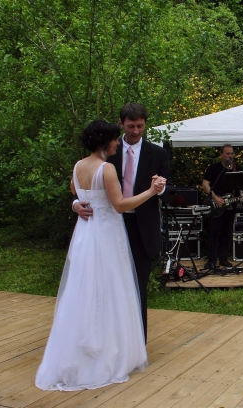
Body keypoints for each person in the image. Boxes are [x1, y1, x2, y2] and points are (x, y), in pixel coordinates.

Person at [36, 120, 166, 390]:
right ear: (105, 142)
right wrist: (150, 192)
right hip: (106, 235)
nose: (118, 143)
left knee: (84, 290)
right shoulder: (106, 168)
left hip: (84, 235)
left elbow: (75, 191)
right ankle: (107, 351)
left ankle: (84, 348)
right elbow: (119, 205)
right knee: (110, 290)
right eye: (115, 139)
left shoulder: (78, 166)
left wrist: (76, 204)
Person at [73, 103, 175, 341]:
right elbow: (84, 186)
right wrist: (76, 203)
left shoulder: (157, 153)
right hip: (108, 226)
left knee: (138, 287)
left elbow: (171, 191)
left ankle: (137, 343)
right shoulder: (108, 150)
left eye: (140, 126)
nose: (136, 131)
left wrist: (160, 189)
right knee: (106, 285)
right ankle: (109, 340)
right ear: (121, 124)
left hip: (142, 228)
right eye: (131, 126)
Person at [202, 144, 242, 270]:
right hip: (216, 204)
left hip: (231, 205)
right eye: (227, 153)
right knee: (214, 232)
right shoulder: (214, 168)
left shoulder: (237, 168)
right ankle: (211, 260)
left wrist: (241, 195)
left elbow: (241, 185)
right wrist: (215, 198)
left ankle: (223, 259)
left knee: (227, 232)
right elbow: (205, 184)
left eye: (232, 153)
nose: (230, 156)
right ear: (221, 155)